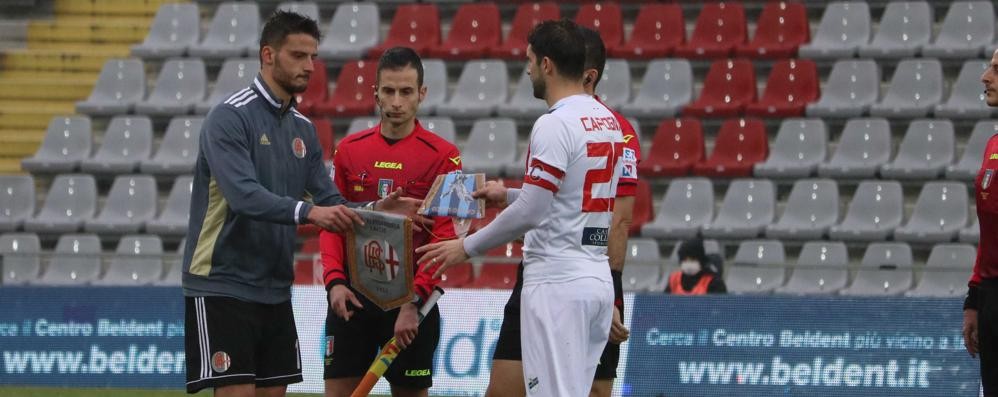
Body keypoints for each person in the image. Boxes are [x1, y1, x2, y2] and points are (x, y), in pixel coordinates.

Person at [182, 12, 420, 397]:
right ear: (268, 55)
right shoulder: (230, 117)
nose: (310, 66)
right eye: (298, 55)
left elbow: (330, 201)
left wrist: (376, 208)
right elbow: (244, 195)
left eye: (313, 56)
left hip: (275, 289)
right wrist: (309, 213)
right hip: (223, 284)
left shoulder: (303, 130)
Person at [417, 19, 624, 396]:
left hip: (556, 281)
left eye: (529, 59)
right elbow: (570, 198)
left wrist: (465, 247)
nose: (526, 69)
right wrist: (509, 194)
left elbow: (532, 212)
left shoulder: (554, 123)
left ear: (547, 64)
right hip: (594, 277)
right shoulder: (608, 121)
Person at [481, 26, 641, 397]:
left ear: (588, 75)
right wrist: (507, 196)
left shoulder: (614, 131)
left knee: (593, 391)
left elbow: (618, 219)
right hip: (544, 271)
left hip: (580, 274)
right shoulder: (563, 124)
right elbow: (551, 201)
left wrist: (611, 294)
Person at [321, 46, 461, 397]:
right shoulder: (349, 151)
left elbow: (445, 236)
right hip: (353, 298)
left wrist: (413, 303)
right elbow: (332, 222)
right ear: (376, 94)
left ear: (422, 94)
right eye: (389, 91)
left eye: (406, 91)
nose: (396, 101)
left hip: (410, 303)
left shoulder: (445, 156)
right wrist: (335, 283)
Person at [965, 47, 998, 397]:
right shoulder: (993, 145)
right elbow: (989, 236)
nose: (985, 77)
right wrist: (974, 299)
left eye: (997, 70)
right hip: (991, 299)